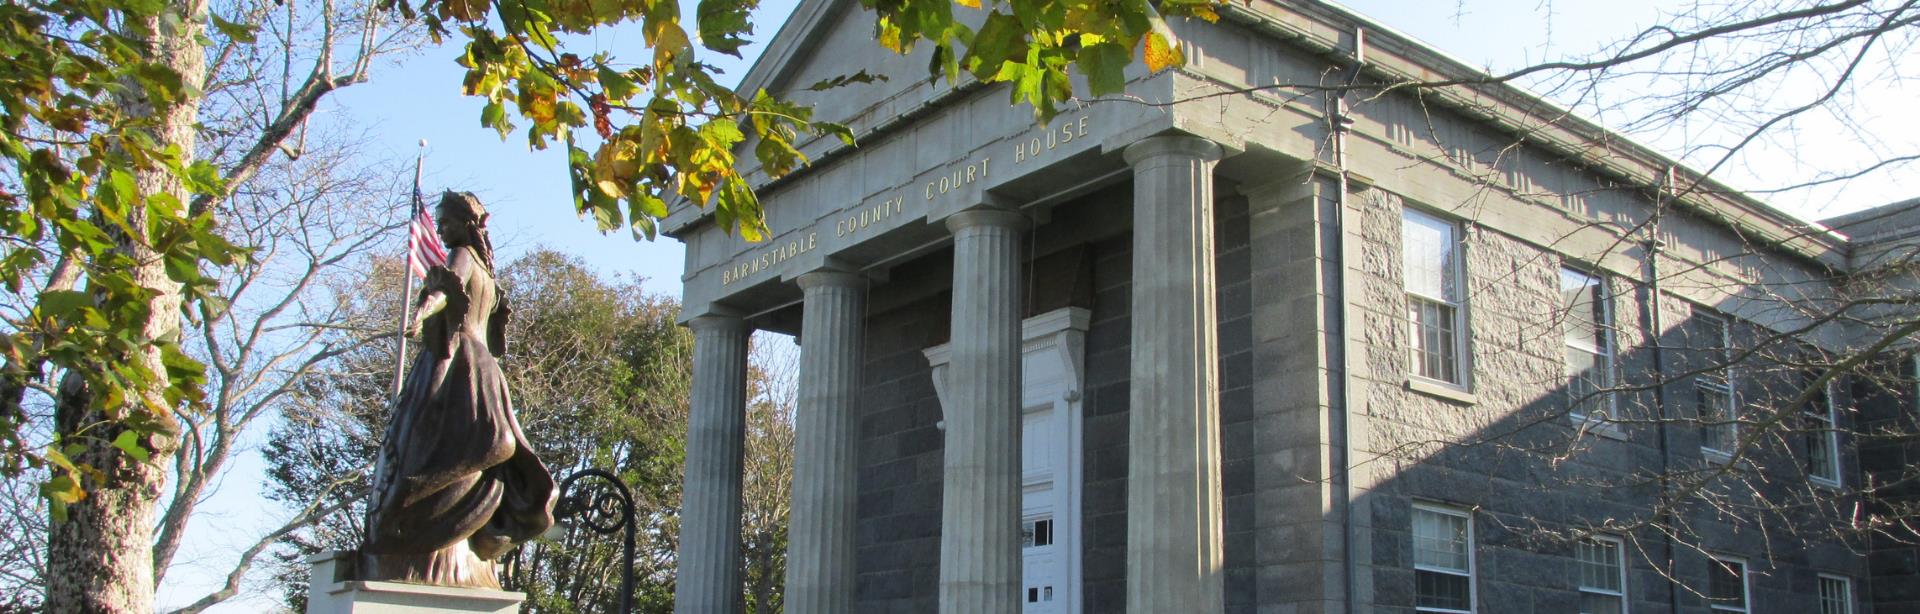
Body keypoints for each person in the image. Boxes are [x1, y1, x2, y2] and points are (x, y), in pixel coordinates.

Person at [361, 191, 556, 589]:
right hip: (484, 369)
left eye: (445, 221)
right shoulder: (489, 274)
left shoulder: (463, 257)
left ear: (466, 224)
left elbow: (442, 293)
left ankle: (409, 525)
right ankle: (454, 531)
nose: (441, 228)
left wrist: (420, 314)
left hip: (456, 363)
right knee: (473, 449)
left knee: (426, 449)